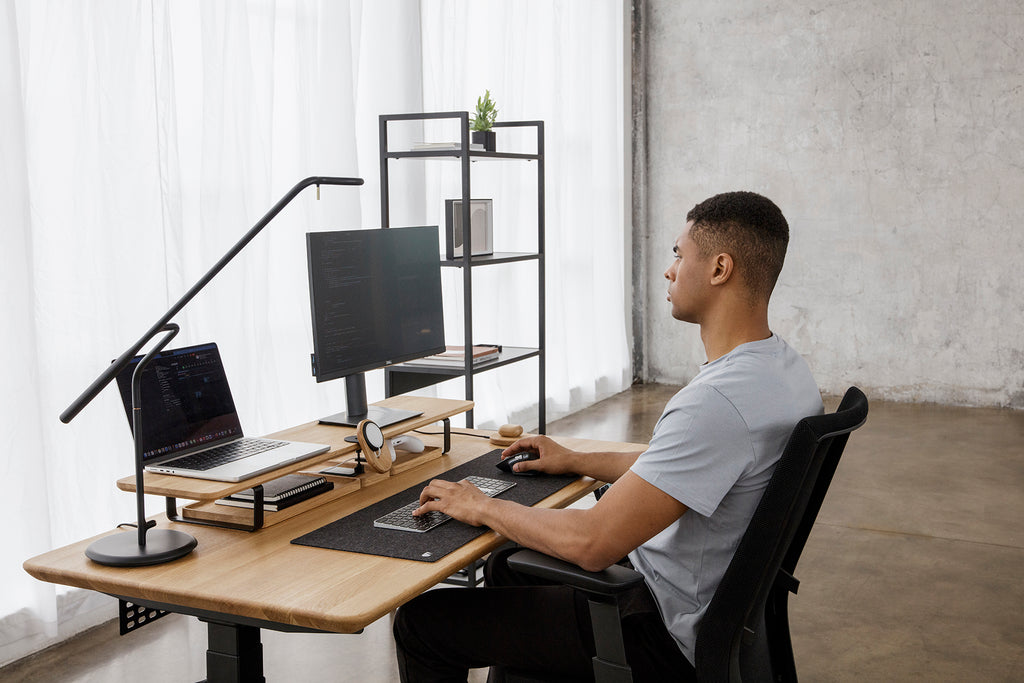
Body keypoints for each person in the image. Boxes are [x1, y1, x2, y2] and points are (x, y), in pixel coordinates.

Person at [392, 191, 823, 682]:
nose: (669, 270)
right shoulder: (783, 372)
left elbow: (592, 542)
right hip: (701, 607)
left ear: (720, 268)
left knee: (422, 624)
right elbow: (678, 469)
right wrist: (576, 458)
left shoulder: (717, 403)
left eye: (679, 255)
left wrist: (481, 505)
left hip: (657, 629)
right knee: (510, 564)